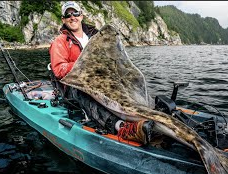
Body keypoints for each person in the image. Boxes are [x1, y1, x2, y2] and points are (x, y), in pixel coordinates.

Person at [49, 1, 154, 145]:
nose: (72, 17)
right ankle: (122, 127)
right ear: (63, 19)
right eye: (68, 15)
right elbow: (59, 70)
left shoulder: (95, 36)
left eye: (75, 13)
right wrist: (85, 64)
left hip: (103, 81)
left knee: (129, 82)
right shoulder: (60, 41)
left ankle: (145, 110)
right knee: (85, 92)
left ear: (81, 16)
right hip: (75, 85)